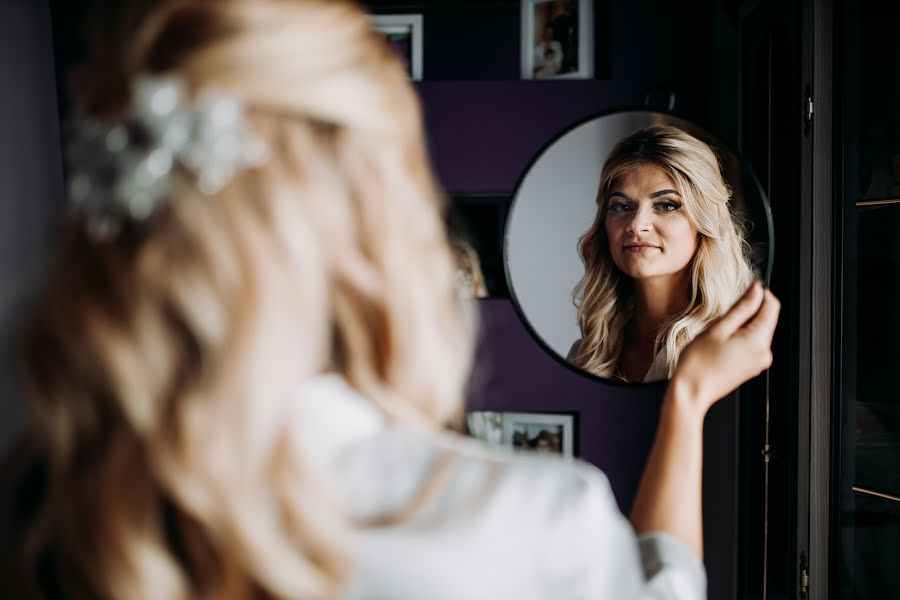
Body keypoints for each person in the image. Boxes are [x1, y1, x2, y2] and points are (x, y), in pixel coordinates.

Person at [0, 1, 779, 598]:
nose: (637, 223)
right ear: (380, 204)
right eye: (618, 202)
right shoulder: (530, 520)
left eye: (667, 204)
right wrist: (689, 401)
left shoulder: (44, 503)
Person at [568, 125, 757, 382]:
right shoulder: (586, 354)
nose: (636, 224)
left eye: (666, 205)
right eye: (622, 206)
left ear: (704, 221)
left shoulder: (731, 349)